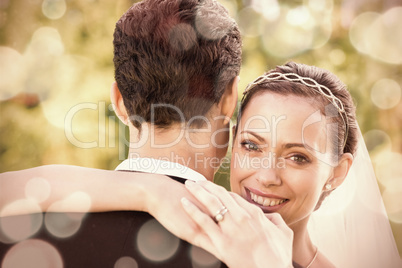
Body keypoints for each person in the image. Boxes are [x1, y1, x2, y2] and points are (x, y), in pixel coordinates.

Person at [0, 0, 293, 267]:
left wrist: (148, 189)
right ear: (230, 97)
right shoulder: (265, 251)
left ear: (119, 101)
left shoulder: (15, 226)